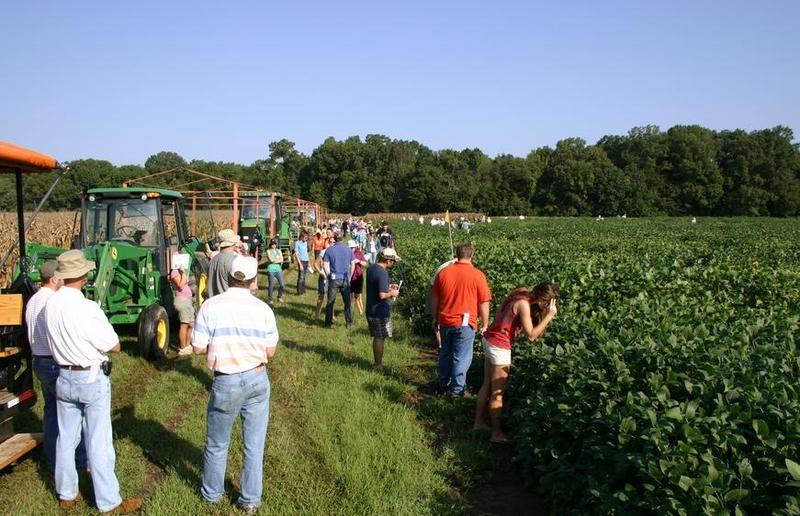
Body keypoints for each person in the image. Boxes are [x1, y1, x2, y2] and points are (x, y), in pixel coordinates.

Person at [44, 250, 141, 513]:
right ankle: (108, 501)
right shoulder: (87, 308)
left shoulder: (49, 304)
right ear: (84, 275)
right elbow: (114, 344)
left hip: (63, 375)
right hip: (90, 376)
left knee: (66, 439)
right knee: (99, 441)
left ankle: (66, 493)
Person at [192, 255, 279, 513]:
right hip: (256, 377)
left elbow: (197, 348)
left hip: (226, 380)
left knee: (217, 443)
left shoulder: (210, 306)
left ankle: (212, 494)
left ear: (229, 276)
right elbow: (271, 351)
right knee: (254, 444)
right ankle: (250, 498)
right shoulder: (263, 309)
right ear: (253, 281)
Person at [474, 283, 559, 442]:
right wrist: (549, 316)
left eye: (550, 303)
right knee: (497, 394)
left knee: (486, 383)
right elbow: (531, 335)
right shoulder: (524, 305)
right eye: (546, 301)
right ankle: (496, 434)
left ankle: (478, 424)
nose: (547, 305)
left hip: (490, 339)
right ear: (539, 295)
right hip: (500, 346)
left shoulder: (521, 294)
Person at [26, 260, 87, 474]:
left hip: (39, 361)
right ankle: (79, 461)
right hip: (54, 362)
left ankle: (52, 459)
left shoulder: (33, 300)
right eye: (61, 277)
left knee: (51, 411)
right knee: (72, 415)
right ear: (53, 279)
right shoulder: (52, 301)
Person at [431, 243, 492, 398]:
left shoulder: (444, 273)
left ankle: (443, 383)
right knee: (461, 356)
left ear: (456, 255)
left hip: (445, 319)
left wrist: (435, 317)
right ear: (472, 255)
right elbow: (483, 302)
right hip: (465, 322)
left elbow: (435, 298)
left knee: (446, 352)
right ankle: (457, 391)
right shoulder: (477, 275)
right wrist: (485, 324)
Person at [365, 248, 401, 369]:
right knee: (379, 337)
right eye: (393, 261)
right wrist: (392, 293)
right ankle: (378, 364)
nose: (394, 263)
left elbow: (376, 285)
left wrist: (389, 286)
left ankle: (377, 363)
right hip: (378, 310)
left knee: (378, 336)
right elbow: (382, 295)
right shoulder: (382, 272)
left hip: (371, 307)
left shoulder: (372, 268)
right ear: (387, 260)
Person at [322, 231, 354, 328]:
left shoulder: (329, 250)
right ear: (342, 238)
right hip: (345, 278)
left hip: (334, 278)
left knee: (330, 301)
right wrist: (350, 276)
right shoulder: (348, 250)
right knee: (347, 302)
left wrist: (328, 275)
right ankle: (349, 323)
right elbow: (353, 264)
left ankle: (328, 323)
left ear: (334, 239)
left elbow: (325, 265)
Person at [425, 258, 457, 348]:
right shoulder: (450, 267)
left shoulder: (458, 265)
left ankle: (446, 344)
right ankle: (440, 345)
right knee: (436, 318)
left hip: (442, 288)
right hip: (434, 288)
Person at [170, 251, 196, 356]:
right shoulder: (175, 272)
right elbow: (180, 285)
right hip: (182, 300)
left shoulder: (180, 271)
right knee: (184, 324)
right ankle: (183, 347)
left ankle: (187, 345)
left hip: (187, 300)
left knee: (191, 324)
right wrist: (183, 273)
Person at [207, 229, 240, 297]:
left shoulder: (213, 260)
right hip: (227, 303)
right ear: (233, 242)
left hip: (213, 302)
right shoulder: (234, 261)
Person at [349, 240, 368, 316]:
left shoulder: (359, 253)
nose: (351, 249)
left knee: (358, 295)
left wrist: (359, 261)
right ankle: (352, 311)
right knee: (351, 296)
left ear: (355, 247)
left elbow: (365, 264)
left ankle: (362, 311)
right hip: (350, 277)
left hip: (358, 276)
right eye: (350, 248)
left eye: (352, 248)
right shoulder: (347, 254)